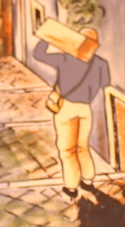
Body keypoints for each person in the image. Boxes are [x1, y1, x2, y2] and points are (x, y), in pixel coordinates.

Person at [33, 27, 110, 200]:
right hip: (85, 108)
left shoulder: (65, 59)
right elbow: (104, 83)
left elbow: (38, 54)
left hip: (67, 108)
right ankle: (88, 181)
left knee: (67, 150)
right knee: (82, 146)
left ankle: (71, 186)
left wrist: (47, 37)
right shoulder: (101, 63)